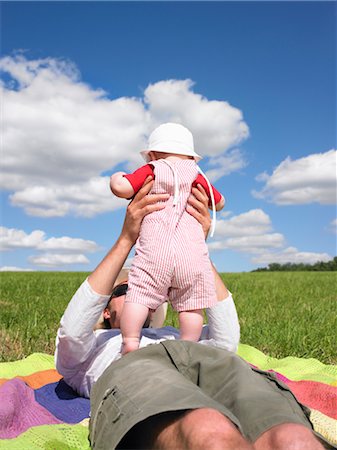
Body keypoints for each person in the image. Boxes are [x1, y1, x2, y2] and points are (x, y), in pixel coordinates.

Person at [55, 178, 332, 450]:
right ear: (105, 310)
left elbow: (226, 340)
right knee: (208, 433)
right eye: (127, 288)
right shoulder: (91, 350)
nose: (143, 291)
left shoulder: (176, 334)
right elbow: (72, 330)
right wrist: (127, 239)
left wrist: (195, 249)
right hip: (136, 367)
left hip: (204, 363)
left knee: (293, 439)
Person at [109, 123, 225, 353]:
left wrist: (116, 177)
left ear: (151, 154)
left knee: (139, 296)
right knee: (192, 305)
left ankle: (131, 341)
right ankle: (189, 347)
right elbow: (219, 203)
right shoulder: (196, 176)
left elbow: (122, 188)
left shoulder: (152, 169)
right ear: (192, 157)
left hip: (155, 252)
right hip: (190, 255)